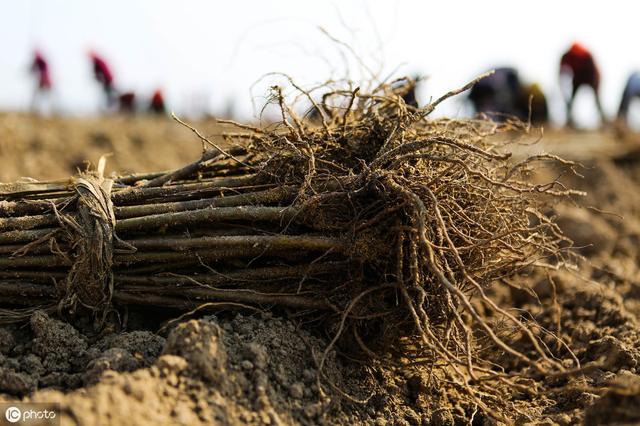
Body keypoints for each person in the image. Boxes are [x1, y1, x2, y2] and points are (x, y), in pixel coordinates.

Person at [559, 42, 606, 127]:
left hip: (591, 76)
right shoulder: (566, 57)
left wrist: (596, 88)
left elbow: (595, 75)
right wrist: (563, 93)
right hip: (578, 77)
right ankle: (569, 120)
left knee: (598, 100)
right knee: (571, 100)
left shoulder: (588, 56)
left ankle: (603, 121)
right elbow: (560, 74)